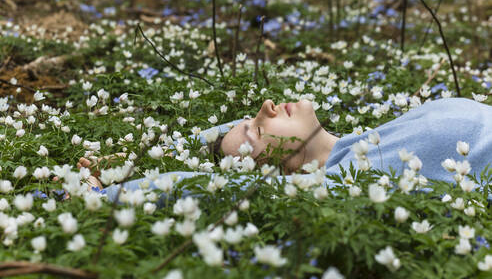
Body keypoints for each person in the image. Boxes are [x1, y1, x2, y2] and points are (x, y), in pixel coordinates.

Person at [79, 97, 492, 202]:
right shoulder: (352, 183)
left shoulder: (363, 144)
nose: (265, 108)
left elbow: (219, 136)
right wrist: (100, 195)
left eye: (252, 116)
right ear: (273, 172)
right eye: (258, 129)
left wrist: (133, 158)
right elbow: (191, 185)